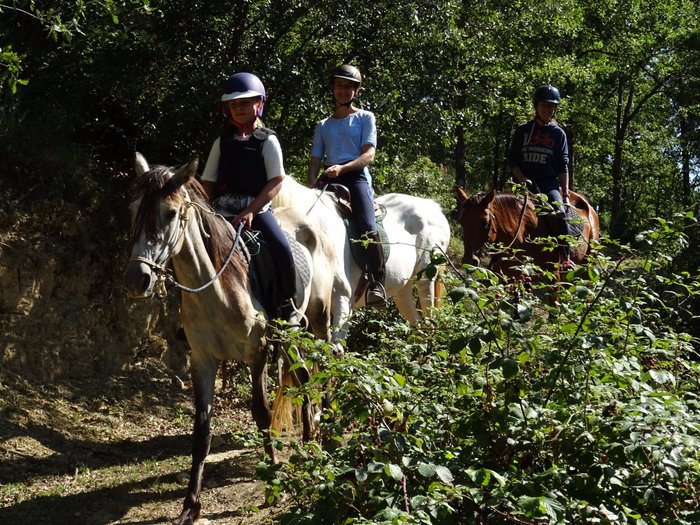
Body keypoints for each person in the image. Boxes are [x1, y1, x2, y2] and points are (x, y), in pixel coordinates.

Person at [201, 71, 299, 325]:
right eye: (234, 104)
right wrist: (203, 209)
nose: (239, 108)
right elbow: (208, 181)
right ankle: (192, 312)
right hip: (221, 210)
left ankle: (288, 305)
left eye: (244, 103)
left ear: (258, 104)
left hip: (256, 208)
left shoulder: (267, 140)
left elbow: (276, 180)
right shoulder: (221, 142)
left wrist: (252, 210)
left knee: (282, 249)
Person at [307, 64, 386, 307]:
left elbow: (368, 156)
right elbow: (315, 159)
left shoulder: (365, 118)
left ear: (356, 91)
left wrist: (343, 168)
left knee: (366, 225)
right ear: (332, 89)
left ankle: (376, 282)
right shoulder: (323, 125)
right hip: (330, 177)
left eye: (348, 86)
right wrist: (311, 181)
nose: (343, 91)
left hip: (355, 176)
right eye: (339, 86)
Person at [509, 84, 576, 270]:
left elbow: (563, 165)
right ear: (536, 107)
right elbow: (512, 160)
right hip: (522, 184)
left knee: (560, 213)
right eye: (544, 105)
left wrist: (566, 195)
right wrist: (522, 179)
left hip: (548, 184)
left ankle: (566, 257)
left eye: (551, 106)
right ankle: (497, 256)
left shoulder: (558, 134)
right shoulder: (522, 131)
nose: (547, 109)